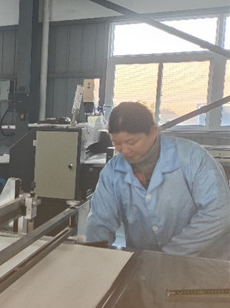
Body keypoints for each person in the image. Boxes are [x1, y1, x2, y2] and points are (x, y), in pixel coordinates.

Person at [85, 101, 230, 259]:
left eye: (131, 142)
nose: (125, 150)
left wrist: (170, 255)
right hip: (145, 263)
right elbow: (100, 221)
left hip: (205, 261)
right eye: (117, 143)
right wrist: (95, 255)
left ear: (153, 131)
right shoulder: (112, 172)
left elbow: (218, 213)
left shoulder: (193, 158)